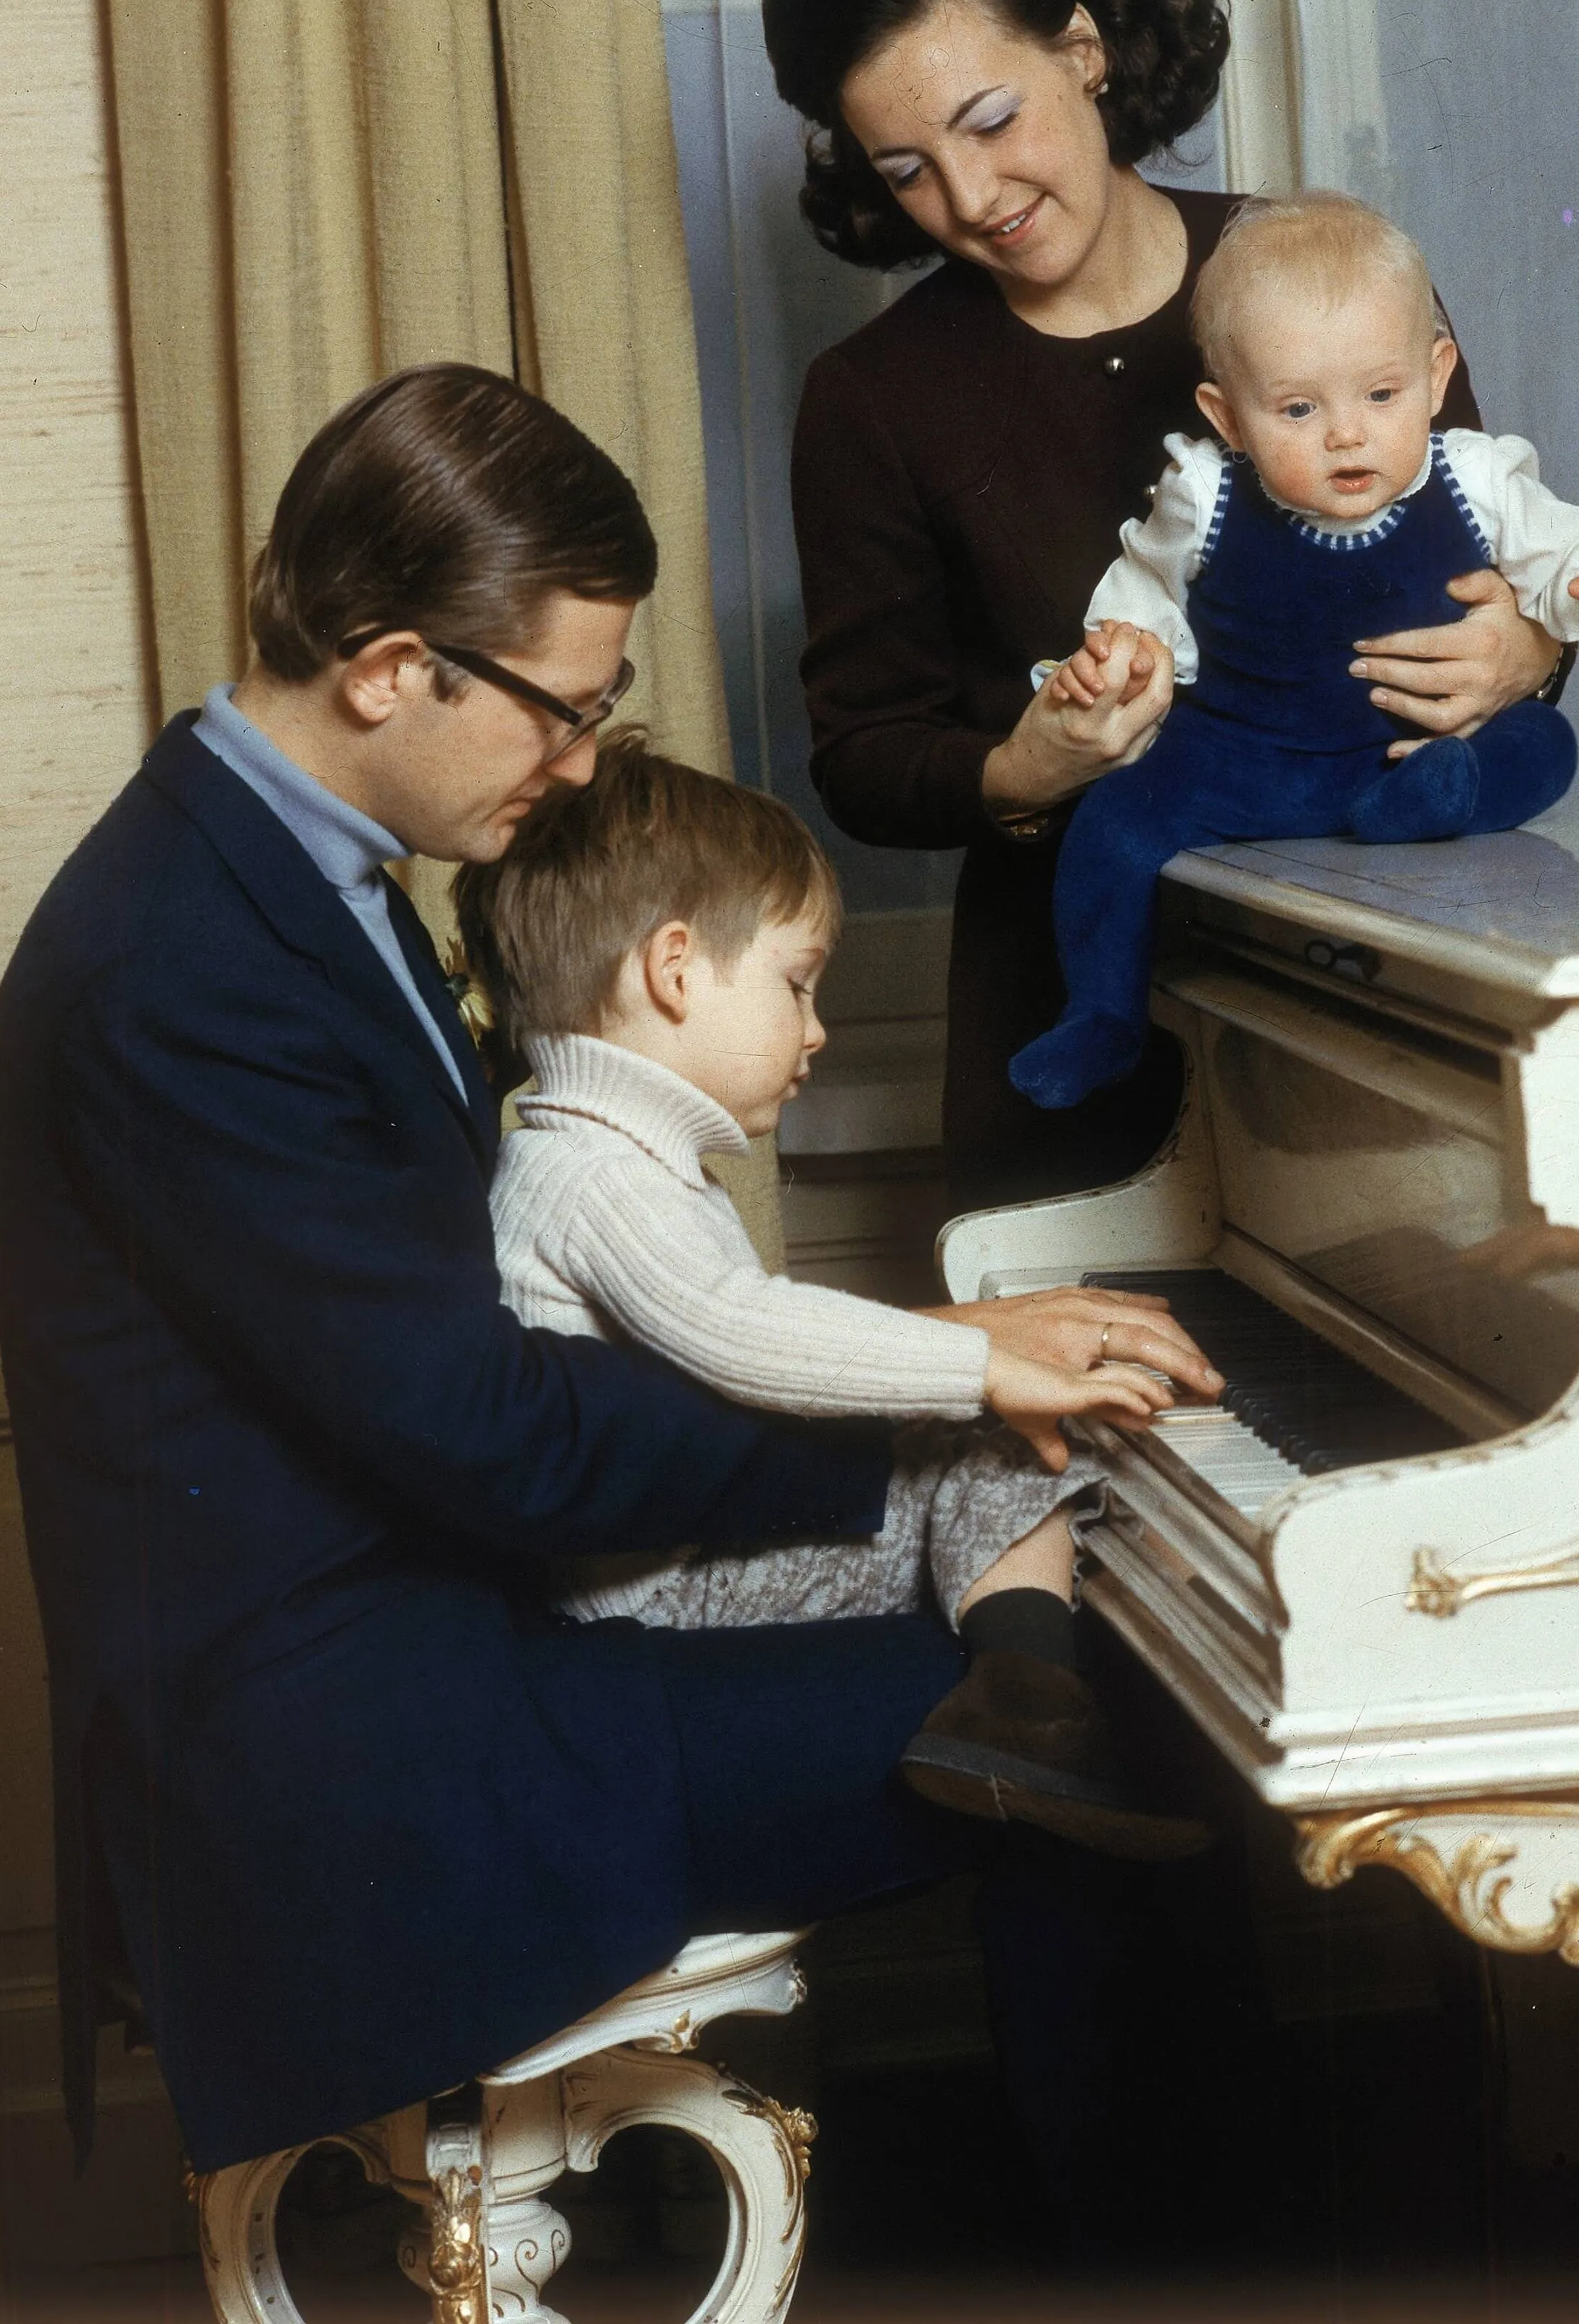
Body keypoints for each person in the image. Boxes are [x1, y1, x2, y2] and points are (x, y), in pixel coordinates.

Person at [0, 362, 1212, 2179]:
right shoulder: (183, 966)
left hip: (443, 1639)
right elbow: (494, 1437)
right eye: (563, 708)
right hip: (350, 1759)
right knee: (1122, 1718)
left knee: (1062, 1684)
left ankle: (1124, 2225)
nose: (579, 760)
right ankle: (1150, 2238)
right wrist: (920, 1389)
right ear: (393, 667)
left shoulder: (288, 875)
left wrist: (912, 1394)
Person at [764, 0, 1569, 1212]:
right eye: (906, 168)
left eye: (991, 119)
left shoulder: (1325, 270)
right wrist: (1021, 767)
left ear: (1081, 48)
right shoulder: (872, 398)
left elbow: (1495, 536)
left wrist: (1528, 652)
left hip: (1389, 993)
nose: (968, 201)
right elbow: (865, 756)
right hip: (1067, 1026)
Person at [454, 735, 1213, 1858]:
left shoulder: (601, 1153)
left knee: (986, 1443)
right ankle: (1036, 1704)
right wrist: (988, 1366)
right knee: (1016, 1445)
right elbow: (742, 1334)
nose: (817, 1030)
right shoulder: (594, 1176)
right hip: (663, 1597)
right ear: (674, 969)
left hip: (675, 1559)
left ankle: (1024, 1686)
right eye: (796, 983)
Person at [1013, 191, 1579, 1107]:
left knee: (1545, 747)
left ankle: (1435, 799)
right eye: (1297, 409)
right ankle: (1103, 1016)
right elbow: (1145, 594)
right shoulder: (1205, 494)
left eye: (1381, 393)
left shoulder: (1474, 475)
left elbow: (1568, 549)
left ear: (1437, 377)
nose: (1347, 433)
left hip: (1412, 749)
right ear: (1229, 416)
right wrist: (1119, 655)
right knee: (1114, 822)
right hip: (1246, 762)